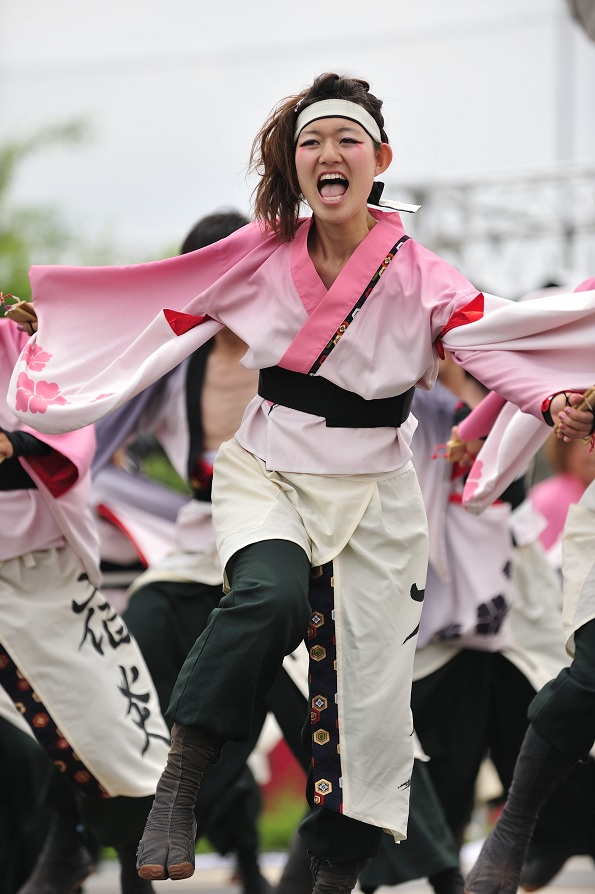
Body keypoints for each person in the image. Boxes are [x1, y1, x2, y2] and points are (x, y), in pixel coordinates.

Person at [5, 73, 595, 890]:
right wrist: (56, 336)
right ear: (294, 164)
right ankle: (181, 777)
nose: (328, 154)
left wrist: (552, 395)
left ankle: (332, 873)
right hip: (271, 469)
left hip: (379, 495)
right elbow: (158, 302)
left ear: (378, 158)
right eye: (311, 142)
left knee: (369, 716)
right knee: (266, 596)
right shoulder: (258, 252)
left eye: (346, 140)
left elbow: (484, 342)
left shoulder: (419, 272)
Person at [94, 209, 309, 893]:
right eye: (206, 275)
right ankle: (103, 847)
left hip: (291, 542)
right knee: (131, 659)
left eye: (236, 271)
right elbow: (92, 398)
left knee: (310, 706)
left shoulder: (300, 344)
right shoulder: (169, 362)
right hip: (195, 545)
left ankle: (310, 861)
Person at [0, 309, 171, 893]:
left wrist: (15, 442)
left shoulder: (26, 342)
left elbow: (71, 422)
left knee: (105, 731)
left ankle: (109, 860)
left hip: (42, 573)